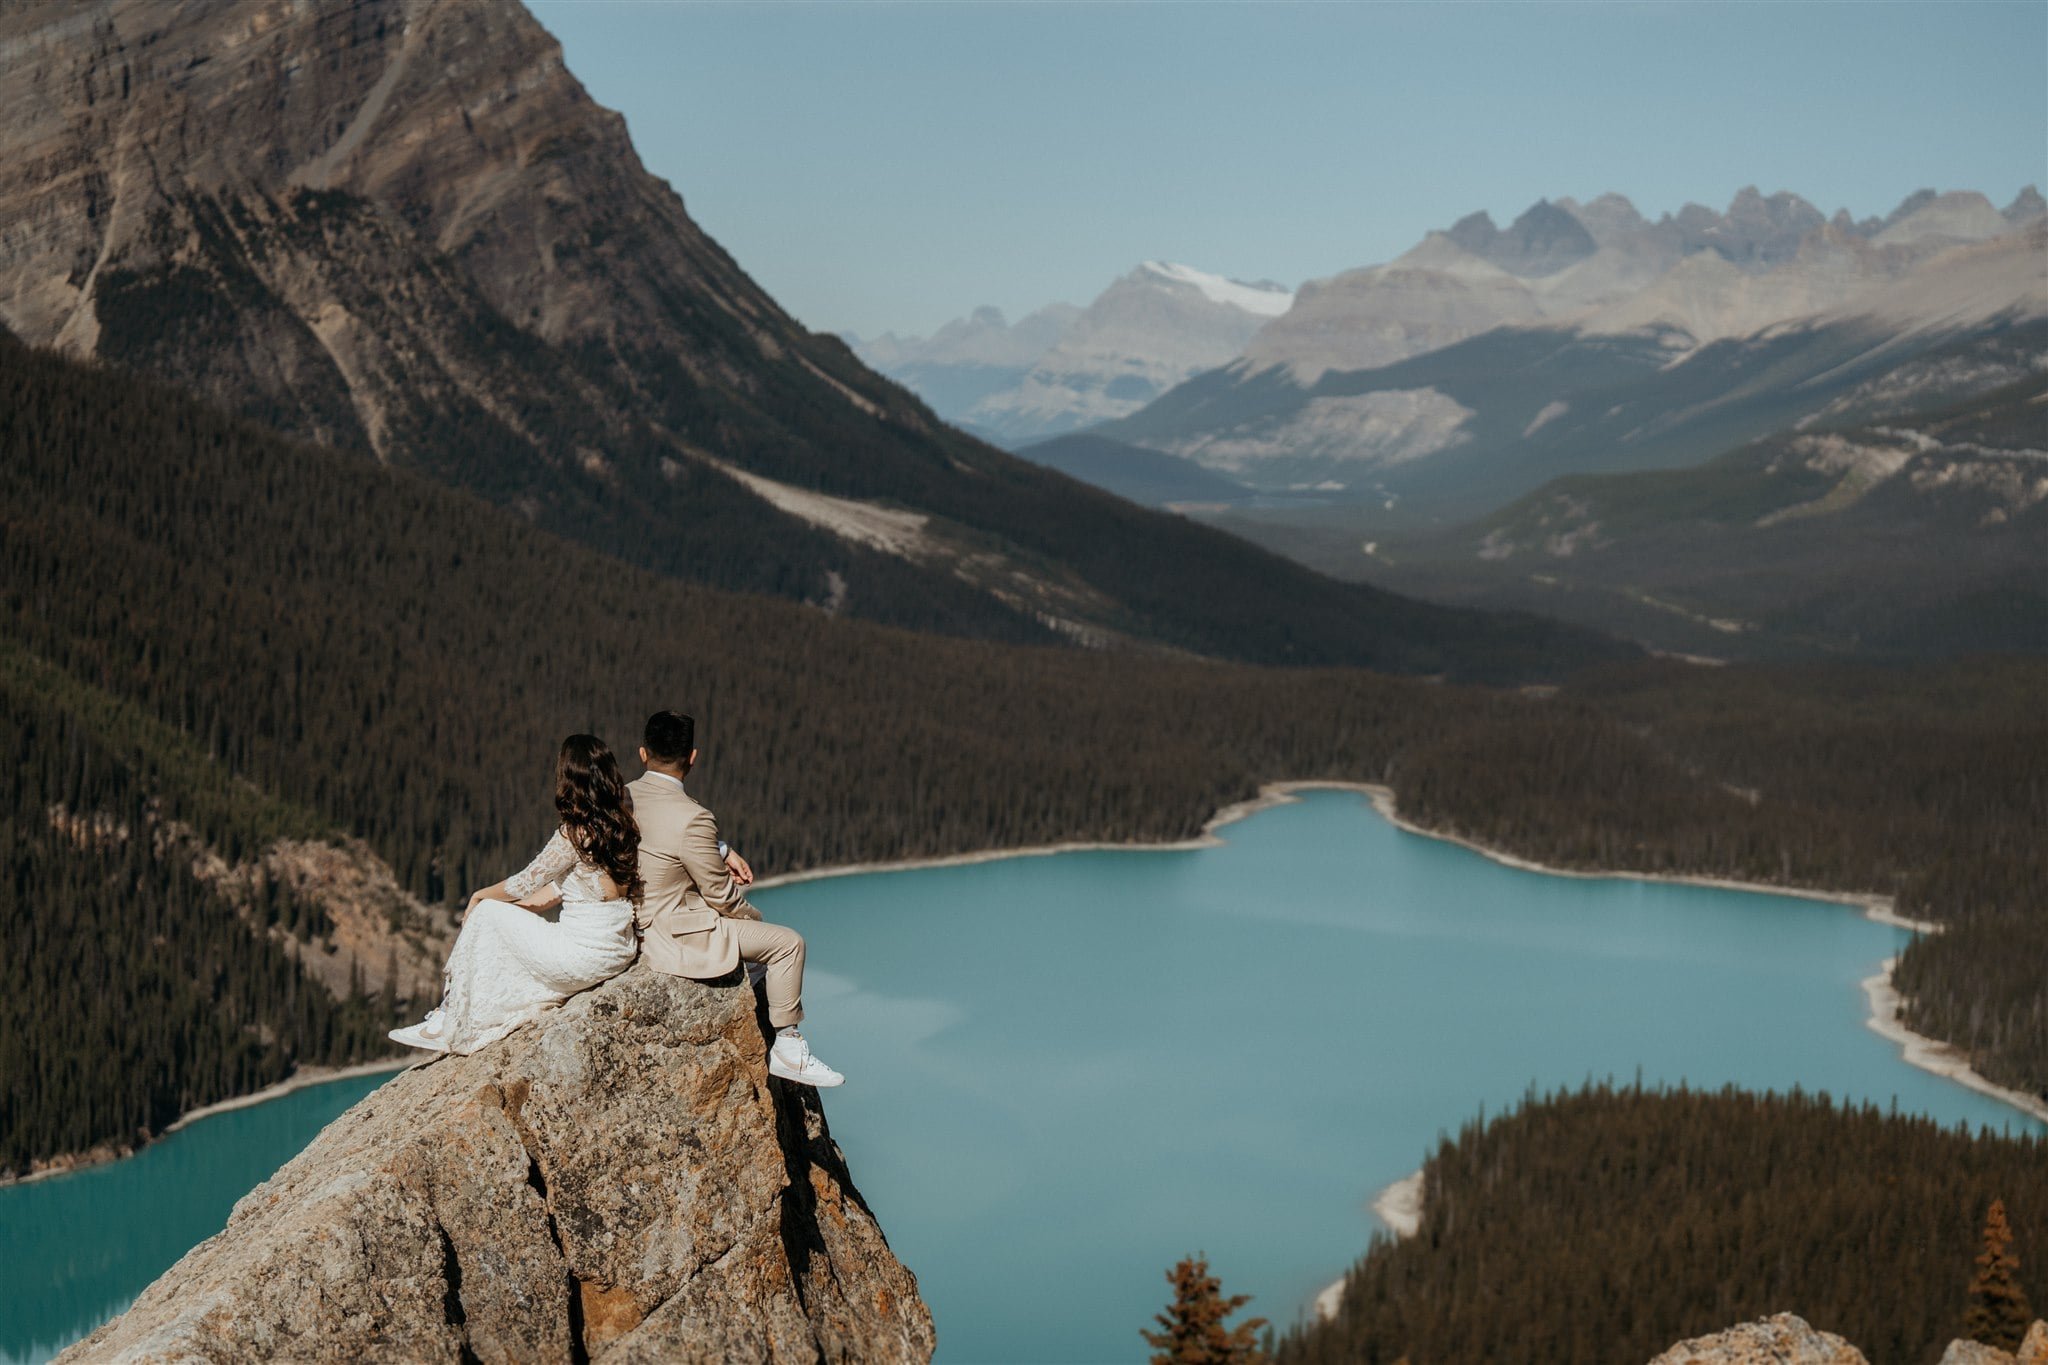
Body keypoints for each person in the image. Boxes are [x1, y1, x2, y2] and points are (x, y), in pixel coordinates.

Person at [629, 710, 843, 1087]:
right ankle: (788, 1047)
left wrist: (721, 848)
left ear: (643, 754)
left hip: (630, 921)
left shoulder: (622, 795)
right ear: (692, 758)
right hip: (670, 934)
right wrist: (752, 918)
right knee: (788, 944)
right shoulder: (693, 816)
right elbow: (720, 895)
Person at [389, 735, 641, 1055]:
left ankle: (449, 1018)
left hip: (584, 955)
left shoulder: (574, 834)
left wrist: (479, 897)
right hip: (618, 949)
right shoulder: (623, 821)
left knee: (487, 913)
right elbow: (561, 890)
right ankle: (449, 1014)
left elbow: (525, 882)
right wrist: (514, 916)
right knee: (497, 917)